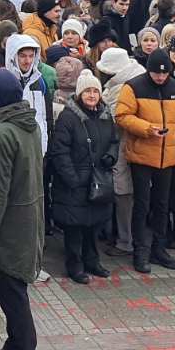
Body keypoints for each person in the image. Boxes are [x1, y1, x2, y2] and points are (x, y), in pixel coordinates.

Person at [0, 69, 44, 350]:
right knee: (16, 293)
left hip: (10, 229)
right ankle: (16, 344)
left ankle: (23, 347)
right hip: (29, 219)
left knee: (13, 296)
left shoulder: (1, 134)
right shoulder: (29, 125)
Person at [115, 50, 175, 274]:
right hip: (141, 154)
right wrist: (147, 129)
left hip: (167, 158)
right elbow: (122, 116)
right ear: (148, 70)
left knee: (162, 205)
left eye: (165, 73)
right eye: (156, 73)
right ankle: (140, 250)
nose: (160, 77)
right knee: (142, 204)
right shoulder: (134, 87)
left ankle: (159, 248)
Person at [49, 69, 116, 283]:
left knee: (94, 225)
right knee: (75, 228)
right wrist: (72, 178)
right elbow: (60, 151)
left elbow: (114, 141)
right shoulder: (68, 117)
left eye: (95, 91)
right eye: (87, 91)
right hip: (74, 182)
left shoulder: (106, 115)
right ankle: (75, 265)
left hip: (97, 180)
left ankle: (92, 261)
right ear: (79, 94)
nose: (92, 95)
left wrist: (110, 157)